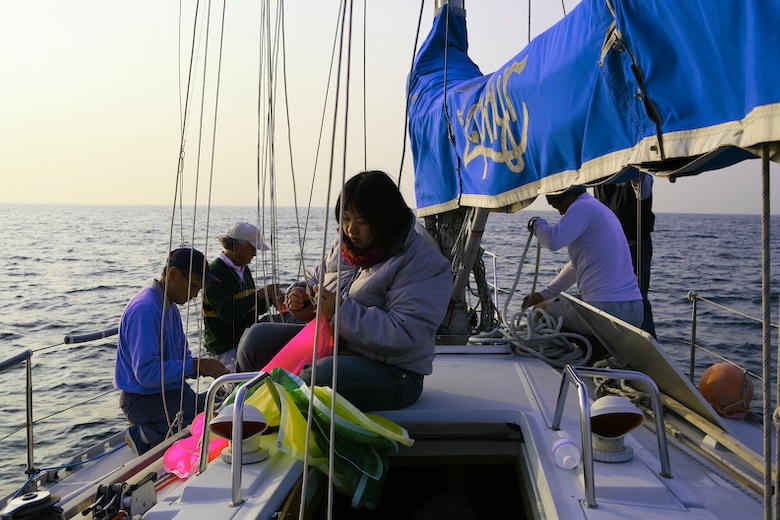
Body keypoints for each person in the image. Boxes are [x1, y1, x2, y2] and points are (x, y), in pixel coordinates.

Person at [237, 170, 453, 412]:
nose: (351, 230)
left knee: (318, 377)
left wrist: (339, 311)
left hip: (395, 372)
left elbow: (404, 332)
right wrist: (301, 296)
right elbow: (316, 278)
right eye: (346, 219)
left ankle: (268, 420)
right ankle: (238, 410)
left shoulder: (422, 262)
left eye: (361, 221)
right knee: (254, 340)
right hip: (334, 345)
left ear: (385, 219)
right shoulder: (346, 246)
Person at [114, 248, 229, 455]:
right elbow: (146, 374)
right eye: (193, 286)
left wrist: (208, 368)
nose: (195, 294)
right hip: (143, 399)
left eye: (199, 288)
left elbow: (183, 357)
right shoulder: (146, 309)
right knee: (209, 414)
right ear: (173, 274)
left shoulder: (170, 307)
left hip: (170, 392)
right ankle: (143, 435)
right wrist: (196, 366)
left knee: (221, 400)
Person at [524, 186, 644, 336]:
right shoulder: (600, 209)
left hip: (605, 310)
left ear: (566, 197)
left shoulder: (581, 206)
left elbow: (552, 240)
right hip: (635, 311)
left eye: (557, 206)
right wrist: (544, 295)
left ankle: (549, 349)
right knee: (558, 304)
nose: (561, 213)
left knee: (539, 311)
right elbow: (576, 267)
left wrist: (536, 223)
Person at [202, 222, 286, 371]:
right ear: (236, 246)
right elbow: (227, 313)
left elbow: (250, 309)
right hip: (226, 347)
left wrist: (269, 299)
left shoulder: (243, 269)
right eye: (252, 248)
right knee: (241, 382)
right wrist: (259, 295)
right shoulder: (215, 272)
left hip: (245, 341)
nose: (255, 253)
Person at [593, 174, 656, 337]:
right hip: (606, 246)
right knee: (605, 299)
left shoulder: (637, 170)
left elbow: (643, 188)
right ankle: (612, 343)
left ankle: (647, 347)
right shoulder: (599, 174)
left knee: (637, 300)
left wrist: (635, 174)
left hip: (634, 247)